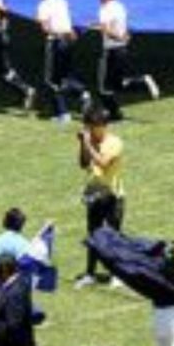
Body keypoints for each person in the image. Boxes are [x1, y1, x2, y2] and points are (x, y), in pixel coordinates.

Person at [75, 108, 126, 286]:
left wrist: (88, 143)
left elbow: (103, 164)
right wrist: (83, 144)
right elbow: (83, 163)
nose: (86, 129)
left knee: (113, 236)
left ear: (100, 126)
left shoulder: (115, 142)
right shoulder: (90, 140)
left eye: (89, 126)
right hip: (95, 194)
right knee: (93, 234)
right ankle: (90, 274)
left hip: (113, 196)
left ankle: (117, 275)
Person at [93, 0, 159, 115]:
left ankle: (114, 113)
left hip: (111, 51)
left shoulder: (105, 9)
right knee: (118, 84)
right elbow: (123, 26)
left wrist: (117, 37)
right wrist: (124, 37)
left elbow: (107, 30)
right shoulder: (120, 6)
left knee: (102, 87)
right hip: (122, 50)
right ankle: (143, 81)